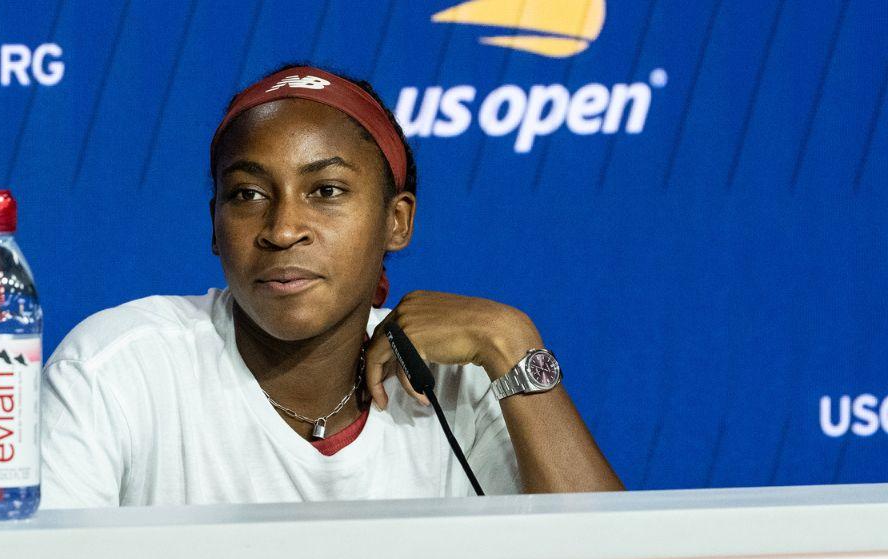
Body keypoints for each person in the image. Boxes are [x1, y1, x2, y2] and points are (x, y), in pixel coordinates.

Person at [40, 65, 623, 507]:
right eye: (247, 194)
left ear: (396, 222)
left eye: (327, 192)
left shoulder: (461, 382)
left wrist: (511, 340)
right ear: (213, 226)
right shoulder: (116, 370)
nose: (283, 228)